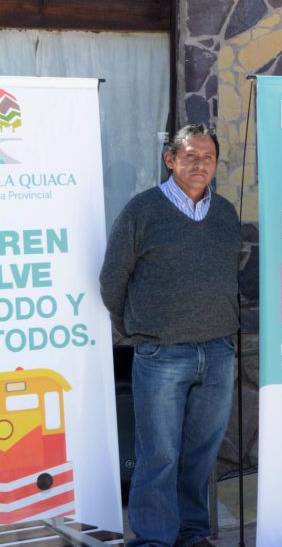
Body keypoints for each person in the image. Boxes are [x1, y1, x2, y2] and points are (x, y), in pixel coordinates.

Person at [100, 124, 240, 547]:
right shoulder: (142, 210)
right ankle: (153, 540)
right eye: (190, 156)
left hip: (218, 351)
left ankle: (192, 535)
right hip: (161, 354)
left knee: (201, 455)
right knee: (159, 455)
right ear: (170, 160)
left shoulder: (225, 213)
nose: (200, 164)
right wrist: (138, 328)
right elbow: (112, 280)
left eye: (208, 157)